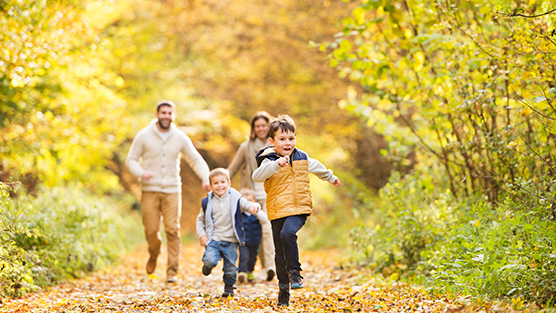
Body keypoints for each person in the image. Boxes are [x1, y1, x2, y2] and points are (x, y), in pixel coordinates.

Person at [252, 115, 341, 306]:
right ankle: (284, 290)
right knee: (279, 254)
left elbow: (317, 167)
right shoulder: (269, 160)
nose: (287, 143)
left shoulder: (302, 157)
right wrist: (276, 165)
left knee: (288, 233)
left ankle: (295, 274)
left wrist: (331, 177)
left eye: (291, 138)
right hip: (278, 211)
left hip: (299, 209)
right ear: (272, 141)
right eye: (282, 139)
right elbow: (257, 176)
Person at [126, 100, 211, 284]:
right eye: (163, 113)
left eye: (169, 113)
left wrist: (206, 178)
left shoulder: (180, 137)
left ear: (174, 115)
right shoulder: (144, 135)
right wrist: (141, 173)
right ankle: (154, 253)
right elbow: (131, 159)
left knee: (172, 229)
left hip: (173, 190)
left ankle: (172, 271)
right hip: (149, 190)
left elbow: (195, 159)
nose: (166, 116)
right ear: (157, 114)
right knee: (151, 230)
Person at [196, 168, 261, 298]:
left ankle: (229, 288)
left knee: (230, 268)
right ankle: (207, 267)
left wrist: (254, 207)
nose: (220, 185)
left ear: (229, 183)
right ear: (210, 186)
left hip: (230, 241)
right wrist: (202, 235)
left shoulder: (235, 198)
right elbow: (200, 220)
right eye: (216, 183)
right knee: (209, 260)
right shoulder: (207, 202)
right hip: (214, 239)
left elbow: (246, 204)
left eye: (222, 182)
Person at [227, 111, 276, 281]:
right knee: (252, 232)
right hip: (250, 195)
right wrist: (219, 182)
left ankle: (269, 266)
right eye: (258, 126)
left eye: (264, 125)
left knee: (268, 229)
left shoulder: (276, 146)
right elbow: (232, 169)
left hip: (270, 193)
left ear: (269, 126)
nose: (261, 129)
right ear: (253, 129)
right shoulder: (246, 146)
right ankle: (251, 267)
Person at [237, 189, 263, 284]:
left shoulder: (258, 215)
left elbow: (265, 220)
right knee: (244, 257)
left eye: (250, 201)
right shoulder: (239, 215)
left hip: (255, 241)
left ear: (255, 202)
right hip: (243, 241)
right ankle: (242, 272)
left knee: (253, 258)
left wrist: (257, 211)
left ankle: (250, 272)